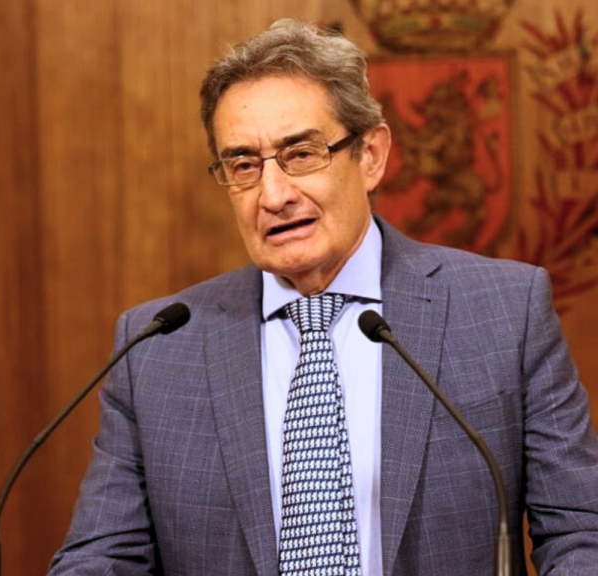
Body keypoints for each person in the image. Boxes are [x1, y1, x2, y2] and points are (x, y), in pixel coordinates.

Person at [48, 18, 598, 576]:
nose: (274, 194)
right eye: (243, 165)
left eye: (302, 154)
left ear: (371, 156)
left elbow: (582, 535)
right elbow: (102, 557)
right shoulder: (158, 348)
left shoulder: (505, 313)